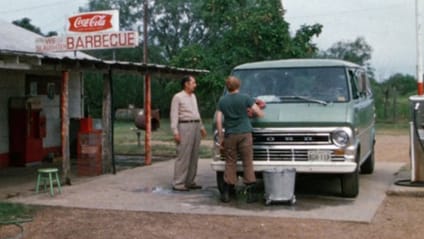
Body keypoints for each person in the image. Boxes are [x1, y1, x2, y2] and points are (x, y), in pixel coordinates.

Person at [215, 76, 264, 203]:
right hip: (245, 133)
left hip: (230, 134)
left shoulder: (222, 101)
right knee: (247, 161)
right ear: (239, 85)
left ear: (227, 87)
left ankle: (226, 192)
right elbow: (259, 113)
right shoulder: (246, 98)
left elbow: (219, 120)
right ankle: (250, 193)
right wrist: (251, 112)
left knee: (230, 162)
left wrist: (221, 136)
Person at [170, 75, 207, 191]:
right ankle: (179, 183)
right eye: (193, 83)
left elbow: (196, 112)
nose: (195, 85)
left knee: (194, 155)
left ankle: (190, 181)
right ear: (186, 84)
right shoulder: (178, 97)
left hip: (195, 125)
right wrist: (175, 131)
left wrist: (201, 126)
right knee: (184, 154)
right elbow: (174, 115)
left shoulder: (193, 96)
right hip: (184, 126)